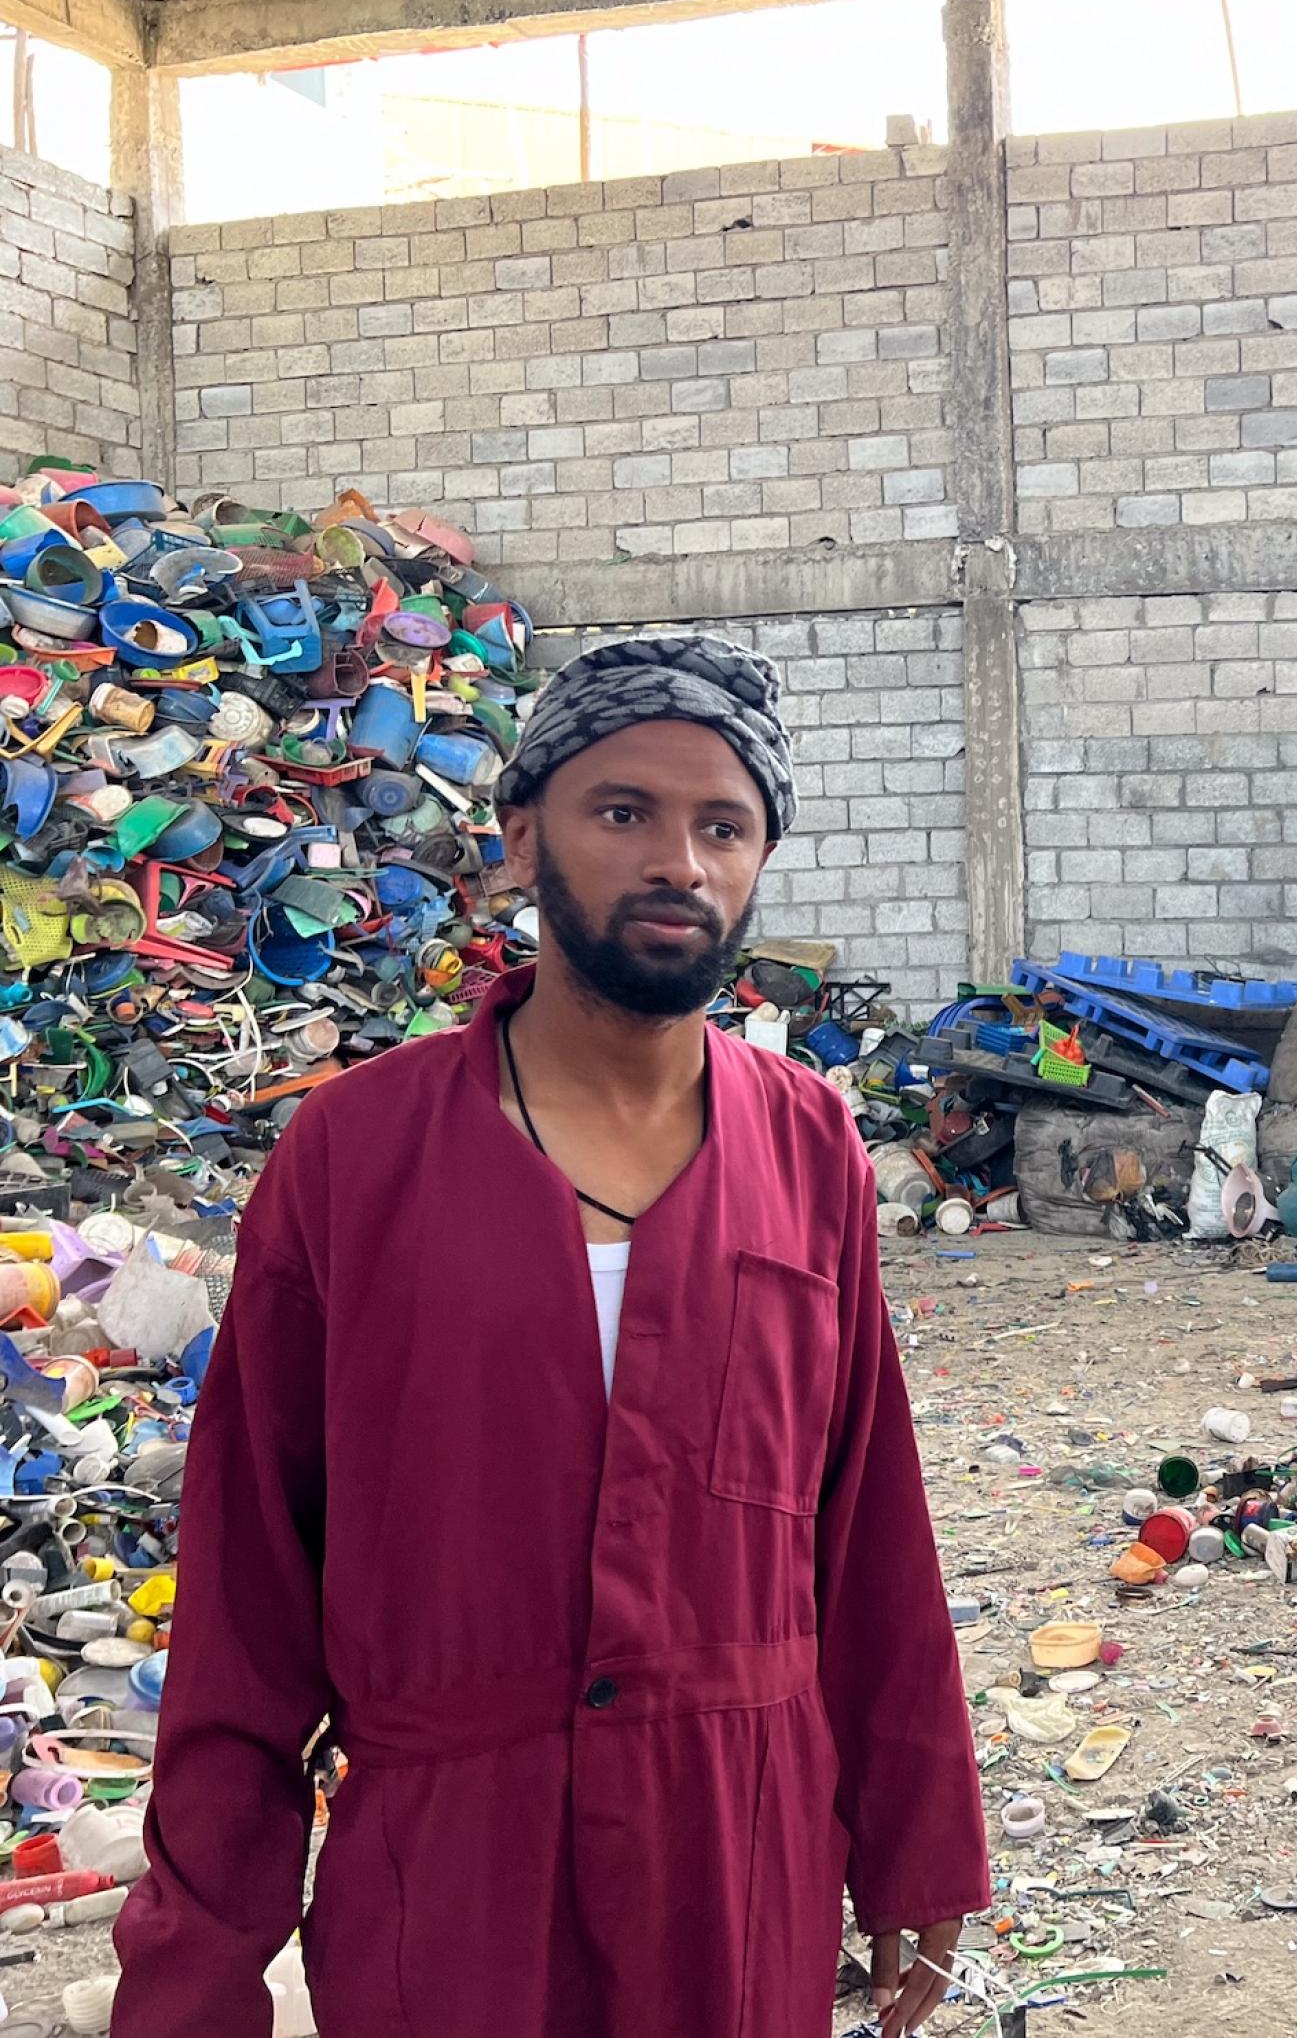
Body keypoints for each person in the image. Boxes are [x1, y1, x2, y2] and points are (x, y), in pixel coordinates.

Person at [116, 637, 989, 2037]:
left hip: (733, 1863)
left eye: (722, 827)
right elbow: (248, 1592)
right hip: (452, 1877)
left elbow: (867, 1522)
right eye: (623, 811)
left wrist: (915, 1840)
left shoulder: (808, 1145)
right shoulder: (355, 1155)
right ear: (522, 836)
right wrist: (196, 1970)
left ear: (760, 859)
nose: (678, 862)